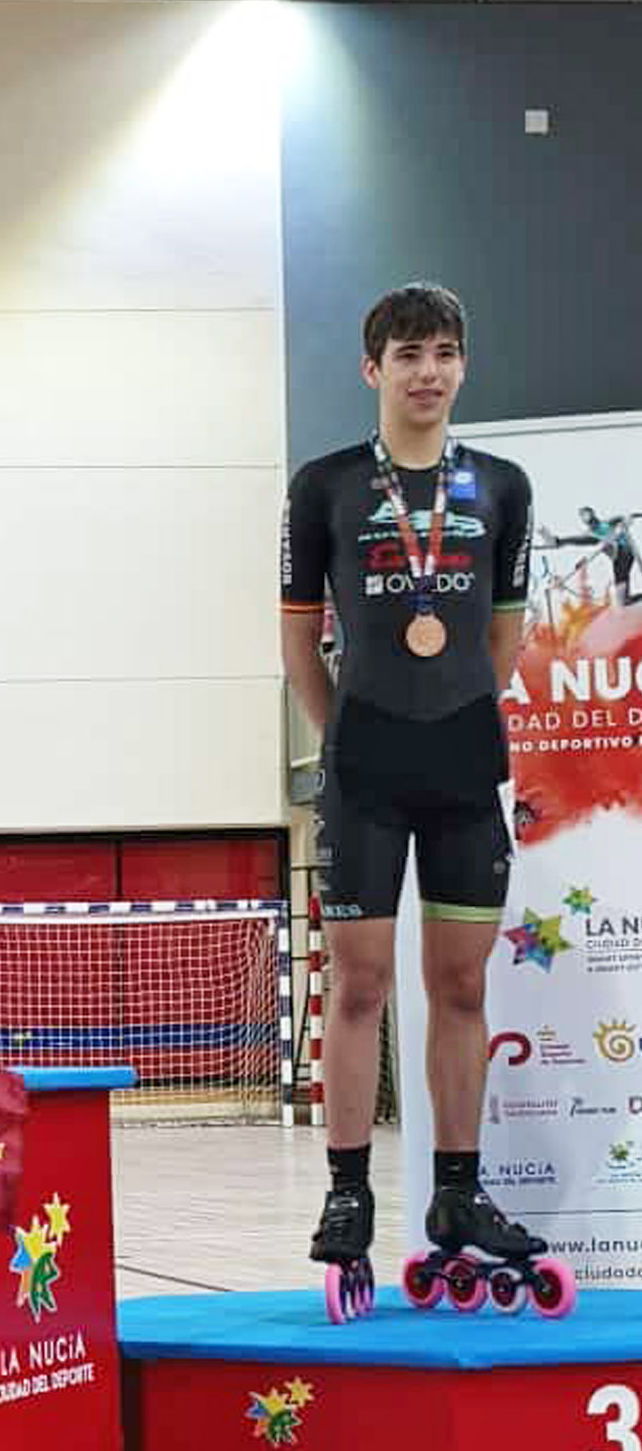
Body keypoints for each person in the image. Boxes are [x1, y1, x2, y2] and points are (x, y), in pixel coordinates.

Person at [280, 283, 543, 1315]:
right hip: (363, 762)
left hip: (461, 759)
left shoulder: (504, 486)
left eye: (441, 352)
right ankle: (347, 1193)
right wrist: (339, 734)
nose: (424, 371)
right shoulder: (325, 485)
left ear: (461, 365)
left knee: (462, 987)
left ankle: (455, 1196)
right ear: (370, 371)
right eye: (405, 356)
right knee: (356, 985)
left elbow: (503, 634)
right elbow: (299, 633)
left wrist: (457, 706)